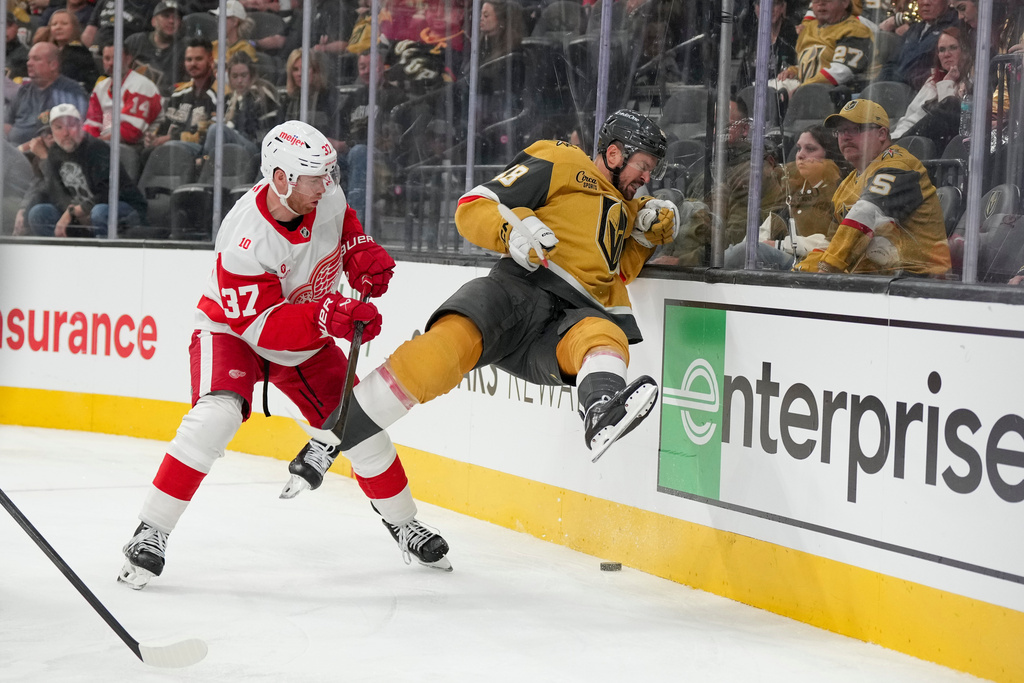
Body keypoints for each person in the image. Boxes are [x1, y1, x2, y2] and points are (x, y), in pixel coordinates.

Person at [278, 110, 678, 518]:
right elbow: (474, 205)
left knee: (604, 338)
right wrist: (511, 233)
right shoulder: (562, 161)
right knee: (437, 355)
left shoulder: (628, 211)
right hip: (517, 290)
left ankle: (600, 412)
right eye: (643, 165)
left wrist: (646, 236)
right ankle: (327, 442)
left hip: (565, 323)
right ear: (613, 153)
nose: (647, 177)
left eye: (651, 170)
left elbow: (619, 270)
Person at [118, 120, 452, 590]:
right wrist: (329, 314)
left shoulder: (323, 194)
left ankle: (403, 523)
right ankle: (150, 530)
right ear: (280, 178)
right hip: (233, 331)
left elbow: (343, 223)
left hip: (306, 330)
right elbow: (264, 325)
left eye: (329, 172)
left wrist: (358, 251)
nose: (328, 184)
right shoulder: (243, 241)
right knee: (216, 416)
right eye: (316, 176)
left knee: (360, 429)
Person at [794, 98, 951, 275]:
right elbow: (832, 242)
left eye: (856, 129)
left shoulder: (900, 165)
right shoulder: (846, 185)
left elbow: (866, 212)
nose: (845, 136)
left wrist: (827, 266)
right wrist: (803, 269)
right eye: (841, 131)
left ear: (882, 134)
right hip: (873, 280)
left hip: (919, 279)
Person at [723, 124, 849, 270]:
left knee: (748, 251)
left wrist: (780, 245)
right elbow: (762, 233)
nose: (800, 155)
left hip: (813, 266)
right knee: (744, 250)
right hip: (787, 263)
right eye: (799, 148)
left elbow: (835, 243)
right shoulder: (791, 190)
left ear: (829, 154)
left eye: (810, 149)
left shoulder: (840, 192)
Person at [24, 103, 148, 237]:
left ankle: (107, 254)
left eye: (70, 125)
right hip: (82, 214)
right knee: (39, 212)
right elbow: (53, 190)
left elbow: (109, 193)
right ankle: (62, 255)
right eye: (58, 128)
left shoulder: (96, 149)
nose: (65, 133)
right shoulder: (55, 153)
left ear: (81, 126)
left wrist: (75, 211)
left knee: (99, 212)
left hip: (124, 209)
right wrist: (23, 214)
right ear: (52, 132)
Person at [337, 48, 406, 224]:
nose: (366, 71)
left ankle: (355, 220)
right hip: (353, 154)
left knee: (359, 152)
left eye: (371, 66)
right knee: (327, 159)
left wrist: (348, 144)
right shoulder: (354, 97)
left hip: (382, 159)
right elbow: (338, 129)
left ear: (383, 67)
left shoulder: (396, 96)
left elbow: (389, 141)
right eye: (362, 67)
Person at [891, 27, 968, 146]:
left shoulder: (970, 82)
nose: (946, 54)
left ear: (964, 51)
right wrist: (895, 138)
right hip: (912, 143)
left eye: (953, 48)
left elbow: (949, 118)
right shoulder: (932, 81)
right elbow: (911, 117)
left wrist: (948, 82)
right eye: (941, 50)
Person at [779, 0, 873, 92]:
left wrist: (802, 89)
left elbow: (840, 72)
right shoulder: (809, 29)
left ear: (845, 2)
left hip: (847, 98)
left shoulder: (855, 30)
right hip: (812, 95)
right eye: (816, 1)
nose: (821, 3)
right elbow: (817, 63)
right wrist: (795, 71)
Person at [5, 41, 88, 145]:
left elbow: (67, 134)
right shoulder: (23, 91)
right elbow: (7, 124)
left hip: (42, 154)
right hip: (11, 151)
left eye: (36, 59)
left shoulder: (71, 92)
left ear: (53, 65)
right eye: (29, 59)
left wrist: (21, 150)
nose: (28, 63)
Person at [144, 37, 216, 154]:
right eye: (189, 59)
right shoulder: (178, 93)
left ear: (211, 60)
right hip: (171, 151)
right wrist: (153, 138)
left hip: (199, 152)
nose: (193, 64)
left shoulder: (219, 93)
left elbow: (209, 136)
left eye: (199, 59)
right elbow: (164, 126)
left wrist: (170, 138)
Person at [83, 41, 162, 145]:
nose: (111, 63)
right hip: (108, 144)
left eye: (116, 58)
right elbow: (92, 125)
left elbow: (130, 132)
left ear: (128, 59)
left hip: (137, 147)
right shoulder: (101, 88)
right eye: (107, 58)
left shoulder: (141, 85)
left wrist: (97, 144)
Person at [202, 52, 279, 157]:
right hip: (238, 146)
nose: (239, 80)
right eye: (235, 76)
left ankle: (204, 162)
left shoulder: (258, 93)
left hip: (259, 148)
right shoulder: (231, 97)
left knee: (217, 129)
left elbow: (254, 131)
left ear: (251, 75)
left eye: (243, 75)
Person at [877, 0, 958, 90]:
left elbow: (937, 72)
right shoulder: (915, 29)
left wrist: (899, 83)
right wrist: (882, 85)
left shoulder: (954, 28)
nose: (925, 2)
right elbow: (890, 63)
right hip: (894, 90)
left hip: (922, 94)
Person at [125, 0, 187, 97]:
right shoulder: (135, 42)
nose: (171, 21)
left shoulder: (185, 49)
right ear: (153, 21)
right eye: (166, 16)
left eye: (176, 17)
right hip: (130, 98)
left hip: (167, 102)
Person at [33, 8, 99, 91]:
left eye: (64, 24)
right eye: (54, 24)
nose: (58, 27)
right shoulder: (49, 51)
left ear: (74, 27)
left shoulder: (79, 52)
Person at [81, 0, 154, 49]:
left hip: (127, 55)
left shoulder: (149, 4)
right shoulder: (104, 1)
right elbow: (88, 33)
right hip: (99, 54)